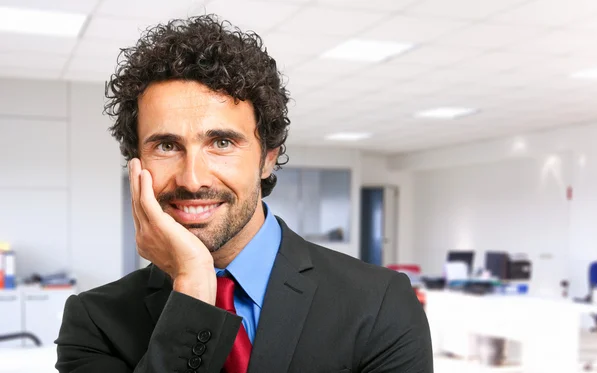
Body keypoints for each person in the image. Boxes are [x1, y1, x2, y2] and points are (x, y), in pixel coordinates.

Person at [55, 14, 433, 373]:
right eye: (167, 146)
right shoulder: (94, 323)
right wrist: (192, 286)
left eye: (221, 142)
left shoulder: (379, 301)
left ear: (267, 159)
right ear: (136, 163)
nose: (191, 179)